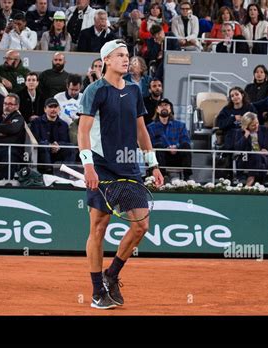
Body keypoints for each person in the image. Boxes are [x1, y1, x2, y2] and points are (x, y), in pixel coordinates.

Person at [77, 39, 164, 309]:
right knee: (99, 227)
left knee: (141, 226)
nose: (127, 60)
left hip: (129, 167)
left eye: (127, 55)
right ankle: (96, 291)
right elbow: (82, 132)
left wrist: (153, 164)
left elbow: (141, 131)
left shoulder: (135, 90)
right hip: (101, 167)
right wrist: (88, 166)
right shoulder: (95, 90)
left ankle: (111, 275)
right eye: (120, 55)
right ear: (107, 60)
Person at [147, 98, 192, 180]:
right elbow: (149, 144)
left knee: (186, 145)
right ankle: (162, 177)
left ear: (170, 109)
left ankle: (187, 177)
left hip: (178, 156)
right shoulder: (150, 127)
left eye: (166, 105)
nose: (164, 107)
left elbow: (185, 140)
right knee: (158, 146)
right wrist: (166, 148)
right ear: (157, 110)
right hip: (161, 157)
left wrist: (176, 147)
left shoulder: (180, 125)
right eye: (161, 105)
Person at [30, 97, 74, 173]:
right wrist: (50, 145)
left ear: (59, 109)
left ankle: (67, 173)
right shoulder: (36, 122)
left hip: (58, 151)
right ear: (45, 109)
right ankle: (48, 173)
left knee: (71, 148)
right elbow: (37, 140)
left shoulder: (64, 124)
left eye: (55, 107)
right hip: (42, 153)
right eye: (50, 107)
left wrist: (58, 145)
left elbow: (66, 141)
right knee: (44, 145)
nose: (53, 109)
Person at [234, 111, 268, 186]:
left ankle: (250, 179)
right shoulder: (240, 133)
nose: (257, 126)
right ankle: (258, 184)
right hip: (246, 161)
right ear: (246, 126)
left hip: (265, 159)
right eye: (253, 125)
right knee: (260, 163)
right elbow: (238, 149)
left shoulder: (265, 130)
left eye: (257, 123)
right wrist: (246, 135)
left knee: (258, 156)